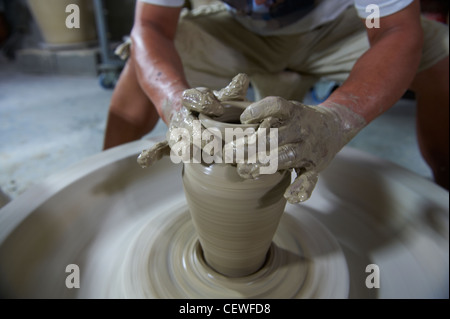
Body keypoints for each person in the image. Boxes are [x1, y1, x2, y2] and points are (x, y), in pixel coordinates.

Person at [103, 0, 449, 202]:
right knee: (141, 66)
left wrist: (336, 121)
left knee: (442, 62)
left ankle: (444, 192)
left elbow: (394, 30)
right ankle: (106, 194)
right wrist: (174, 104)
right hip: (237, 33)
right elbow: (151, 26)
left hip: (337, 27)